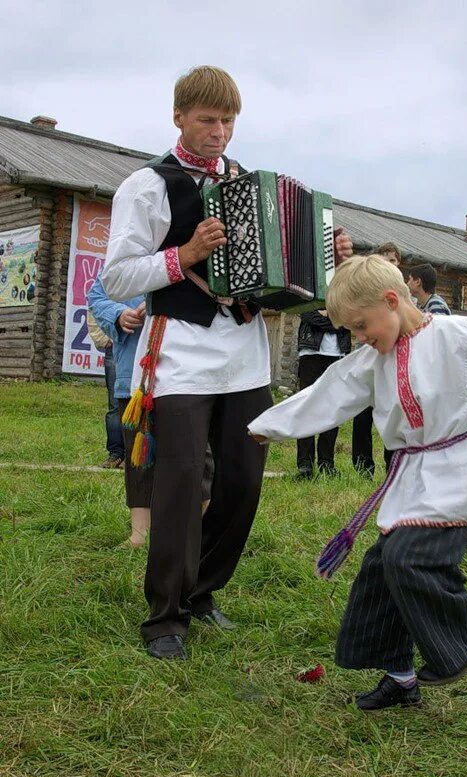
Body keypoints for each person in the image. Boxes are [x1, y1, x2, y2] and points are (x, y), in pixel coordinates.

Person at [248, 254, 467, 711]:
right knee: (380, 571)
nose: (359, 338)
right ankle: (400, 677)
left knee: (408, 559)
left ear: (392, 300)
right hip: (410, 477)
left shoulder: (457, 336)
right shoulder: (375, 358)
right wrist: (266, 425)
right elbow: (328, 392)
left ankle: (461, 645)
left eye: (360, 326)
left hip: (456, 473)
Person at [102, 65, 353, 660]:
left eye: (229, 121)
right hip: (180, 354)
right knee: (183, 485)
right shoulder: (146, 186)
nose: (220, 132)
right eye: (208, 120)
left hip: (245, 356)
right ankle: (165, 617)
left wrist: (326, 254)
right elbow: (115, 277)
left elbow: (281, 275)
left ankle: (203, 591)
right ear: (179, 118)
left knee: (242, 483)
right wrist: (182, 255)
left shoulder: (249, 184)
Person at [87, 276, 154, 547]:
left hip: (184, 377)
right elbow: (96, 295)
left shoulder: (187, 250)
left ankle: (195, 528)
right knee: (138, 457)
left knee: (194, 455)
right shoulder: (123, 260)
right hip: (134, 376)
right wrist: (118, 315)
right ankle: (139, 535)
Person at [351, 242, 401, 477]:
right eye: (385, 261)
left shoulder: (403, 293)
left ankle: (394, 465)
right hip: (371, 358)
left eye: (392, 260)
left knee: (392, 415)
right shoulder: (368, 292)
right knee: (363, 415)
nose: (389, 265)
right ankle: (363, 465)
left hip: (397, 361)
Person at [296, 309, 351, 478]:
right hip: (310, 354)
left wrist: (328, 315)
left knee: (332, 411)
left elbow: (347, 318)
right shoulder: (311, 288)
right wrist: (334, 320)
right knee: (307, 409)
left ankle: (327, 463)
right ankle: (305, 464)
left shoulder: (343, 291)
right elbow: (307, 315)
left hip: (337, 356)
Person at [86, 315, 125, 470]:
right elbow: (93, 310)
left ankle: (132, 455)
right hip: (114, 345)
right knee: (115, 403)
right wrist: (104, 339)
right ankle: (116, 453)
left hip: (138, 345)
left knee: (138, 401)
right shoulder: (104, 289)